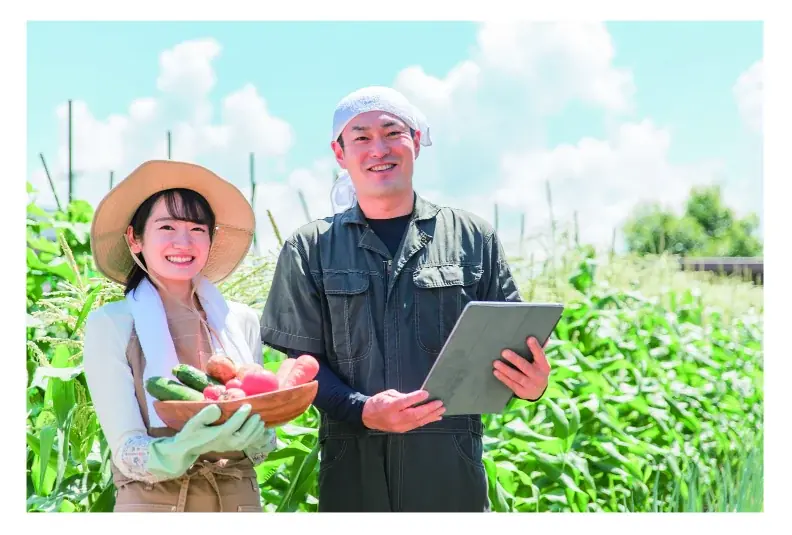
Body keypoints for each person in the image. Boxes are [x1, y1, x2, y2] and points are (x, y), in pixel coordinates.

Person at [259, 86, 552, 512]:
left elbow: (511, 342)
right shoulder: (310, 247)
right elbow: (299, 366)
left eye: (392, 132)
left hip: (451, 473)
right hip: (352, 472)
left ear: (415, 142)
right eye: (360, 137)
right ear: (339, 154)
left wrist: (533, 385)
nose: (378, 148)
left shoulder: (473, 238)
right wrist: (362, 410)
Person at [82, 160, 277, 512]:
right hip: (156, 506)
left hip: (240, 505)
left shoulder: (241, 320)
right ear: (134, 238)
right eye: (167, 226)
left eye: (197, 229)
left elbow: (261, 441)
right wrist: (179, 448)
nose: (183, 242)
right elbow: (126, 452)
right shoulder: (110, 324)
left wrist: (262, 436)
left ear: (210, 240)